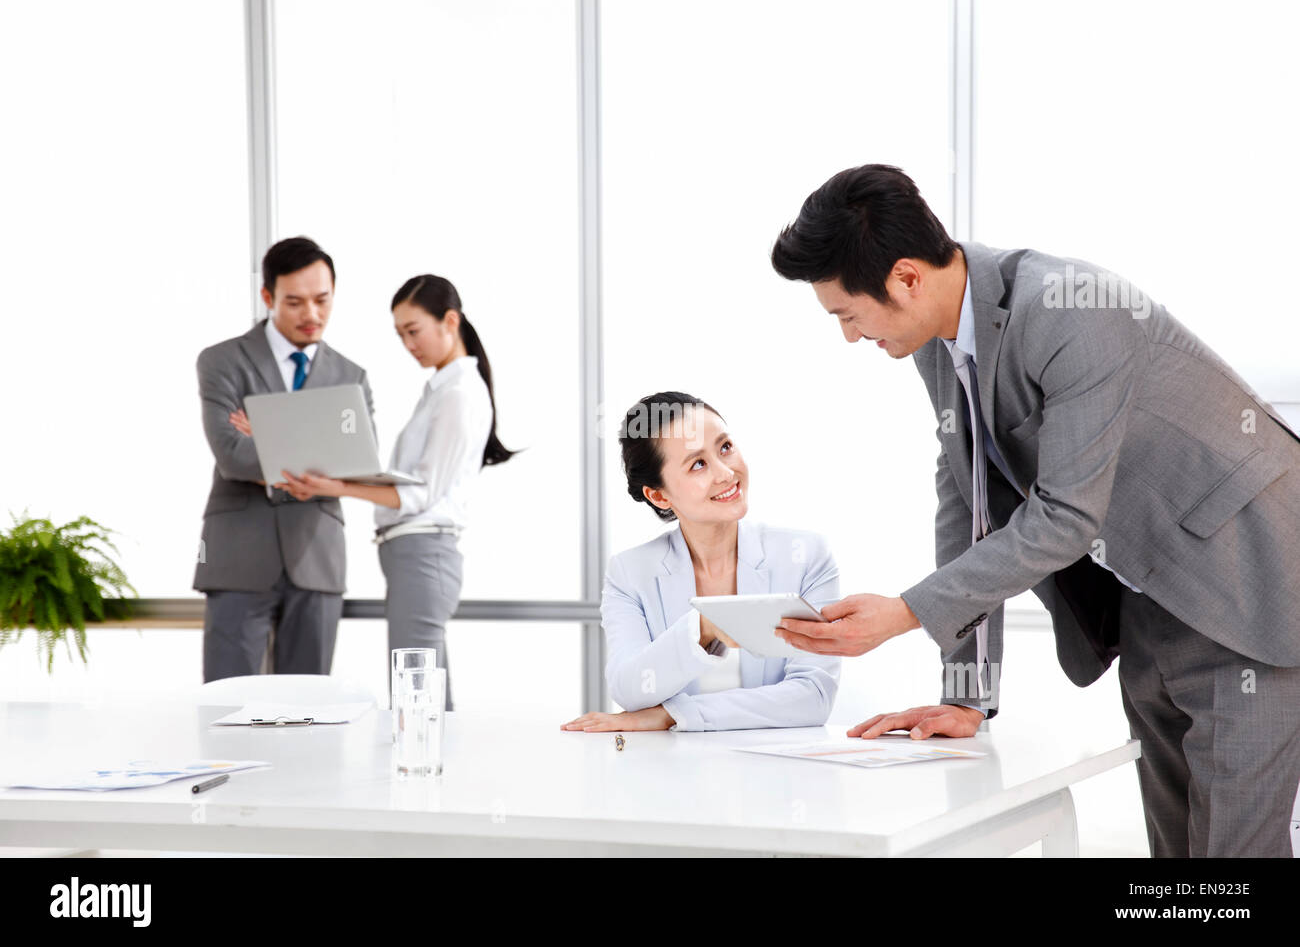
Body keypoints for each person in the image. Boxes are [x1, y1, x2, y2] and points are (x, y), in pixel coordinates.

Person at [769, 163, 1300, 857]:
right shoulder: (937, 346)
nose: (848, 336)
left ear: (904, 279)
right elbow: (967, 498)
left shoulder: (1070, 311)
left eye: (846, 314)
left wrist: (904, 611)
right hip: (1150, 599)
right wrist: (965, 693)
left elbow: (1065, 517)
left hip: (1247, 588)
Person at [276, 274, 513, 710]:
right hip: (413, 556)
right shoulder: (442, 391)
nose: (408, 344)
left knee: (418, 698)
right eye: (400, 335)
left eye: (414, 331)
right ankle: (434, 773)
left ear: (450, 321)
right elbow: (411, 484)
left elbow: (417, 496)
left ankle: (432, 776)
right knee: (421, 694)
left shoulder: (459, 395)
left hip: (423, 554)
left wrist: (338, 487)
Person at [562, 391, 840, 733]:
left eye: (725, 447)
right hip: (676, 771)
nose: (726, 473)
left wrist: (672, 715)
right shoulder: (630, 573)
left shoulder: (806, 557)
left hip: (780, 772)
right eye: (698, 464)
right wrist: (704, 628)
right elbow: (630, 688)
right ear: (659, 495)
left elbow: (813, 697)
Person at [194, 236, 374, 681]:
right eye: (294, 302)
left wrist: (268, 435)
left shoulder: (351, 378)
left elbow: (356, 464)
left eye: (322, 300)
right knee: (227, 705)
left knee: (309, 718)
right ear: (268, 297)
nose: (311, 315)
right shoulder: (222, 361)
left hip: (317, 559)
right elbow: (234, 456)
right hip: (239, 555)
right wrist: (317, 465)